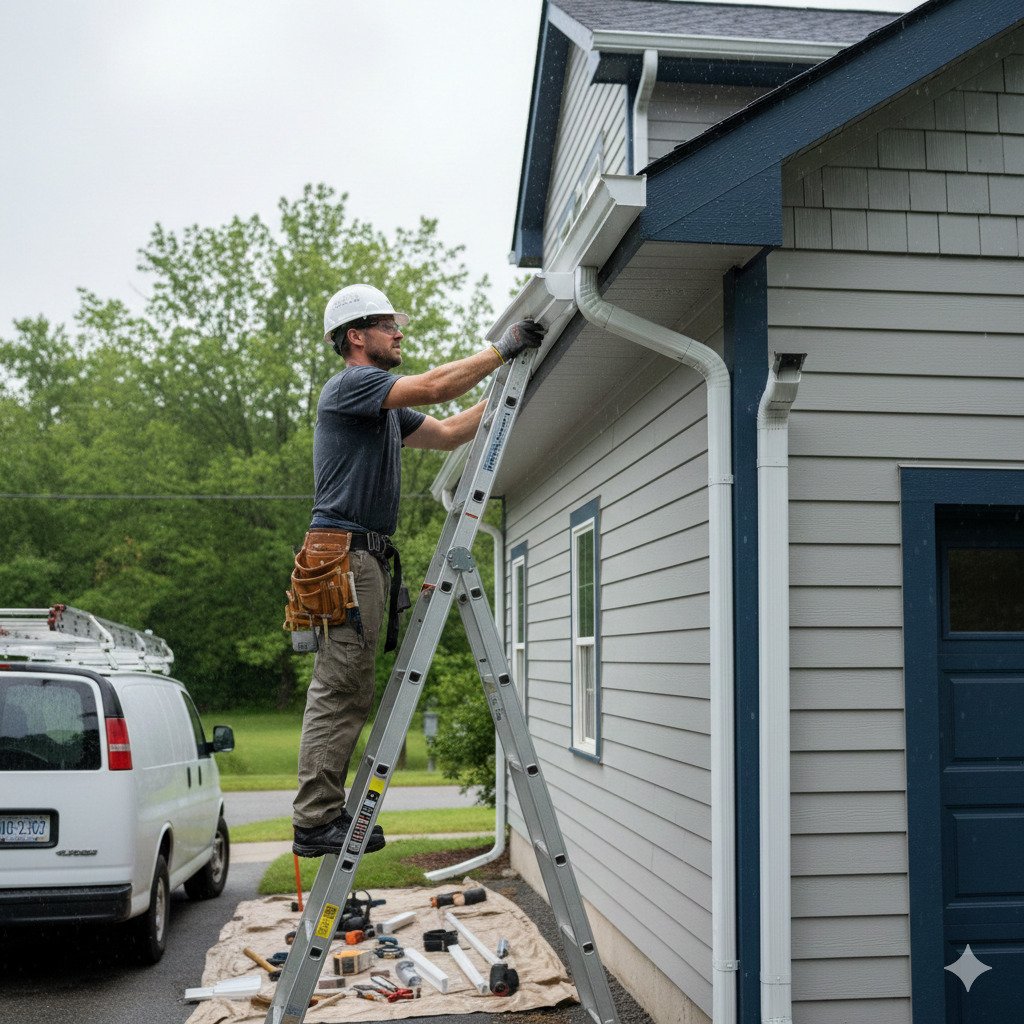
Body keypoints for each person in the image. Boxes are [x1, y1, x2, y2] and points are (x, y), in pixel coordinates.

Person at [291, 283, 545, 858]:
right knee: (340, 687)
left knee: (351, 687)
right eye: (388, 325)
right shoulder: (351, 385)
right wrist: (502, 351)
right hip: (343, 555)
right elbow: (434, 385)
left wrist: (516, 387)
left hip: (363, 556)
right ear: (356, 336)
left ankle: (323, 812)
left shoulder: (381, 410)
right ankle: (314, 820)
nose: (399, 332)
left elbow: (452, 430)